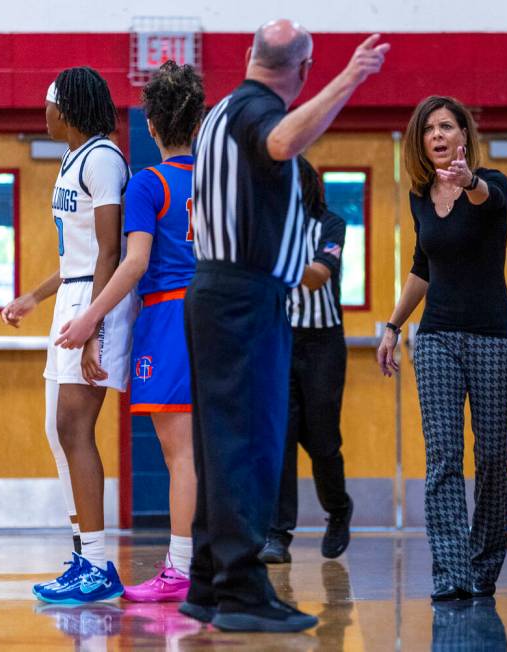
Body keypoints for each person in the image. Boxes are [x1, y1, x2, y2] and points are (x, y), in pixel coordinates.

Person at [183, 19, 388, 633]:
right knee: (249, 444)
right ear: (302, 70)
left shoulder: (219, 109)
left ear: (250, 54)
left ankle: (207, 585)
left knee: (220, 445)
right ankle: (243, 593)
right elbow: (279, 141)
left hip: (218, 294)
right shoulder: (255, 112)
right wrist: (349, 78)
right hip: (244, 297)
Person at [55, 61, 205, 602]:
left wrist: (90, 317)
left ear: (151, 123)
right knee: (208, 451)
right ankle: (202, 561)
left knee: (179, 453)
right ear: (197, 120)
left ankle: (182, 567)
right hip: (217, 315)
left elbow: (133, 260)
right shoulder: (211, 182)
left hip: (170, 316)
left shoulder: (148, 182)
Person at [377, 96, 507, 601]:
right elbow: (422, 267)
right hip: (436, 337)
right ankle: (451, 572)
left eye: (446, 126)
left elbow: (488, 199)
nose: (437, 136)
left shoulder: (493, 182)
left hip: (493, 338)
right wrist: (394, 325)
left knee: (492, 457)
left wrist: (469, 183)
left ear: (464, 134)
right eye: (428, 130)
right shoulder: (420, 197)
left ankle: (484, 567)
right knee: (441, 456)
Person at [1, 67, 134, 603]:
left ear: (71, 107)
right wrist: (35, 296)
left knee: (75, 428)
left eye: (50, 101)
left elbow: (108, 252)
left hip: (93, 303)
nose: (45, 110)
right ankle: (84, 552)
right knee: (59, 431)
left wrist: (96, 326)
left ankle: (99, 566)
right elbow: (76, 256)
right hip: (75, 295)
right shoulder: (73, 159)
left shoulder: (103, 158)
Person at [260, 157, 352, 564]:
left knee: (322, 441)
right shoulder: (268, 225)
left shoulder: (331, 225)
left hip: (323, 346)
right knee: (280, 439)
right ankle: (277, 534)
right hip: (280, 339)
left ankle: (338, 510)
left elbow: (317, 275)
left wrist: (272, 266)